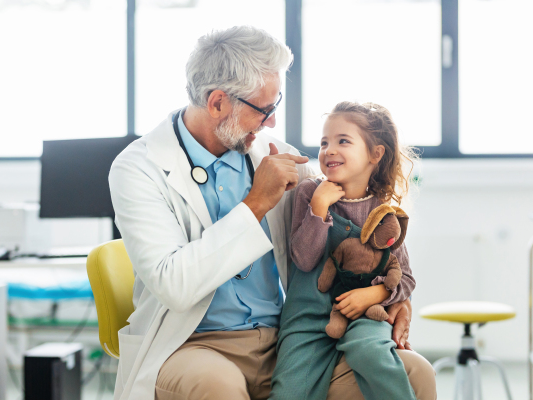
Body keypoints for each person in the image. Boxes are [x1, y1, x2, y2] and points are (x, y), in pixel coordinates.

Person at [108, 26, 433, 400]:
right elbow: (174, 287)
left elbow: (351, 240)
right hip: (193, 344)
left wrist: (393, 298)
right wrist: (256, 203)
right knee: (219, 388)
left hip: (287, 340)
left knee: (415, 375)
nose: (272, 123)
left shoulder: (277, 152)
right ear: (217, 104)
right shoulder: (139, 168)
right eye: (265, 109)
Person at [270, 101, 435, 400]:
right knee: (290, 391)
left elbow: (406, 278)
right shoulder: (310, 192)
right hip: (308, 321)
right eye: (324, 142)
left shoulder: (385, 211)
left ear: (375, 154)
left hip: (367, 317)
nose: (329, 149)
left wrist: (375, 295)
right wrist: (319, 209)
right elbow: (304, 260)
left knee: (372, 356)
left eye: (342, 141)